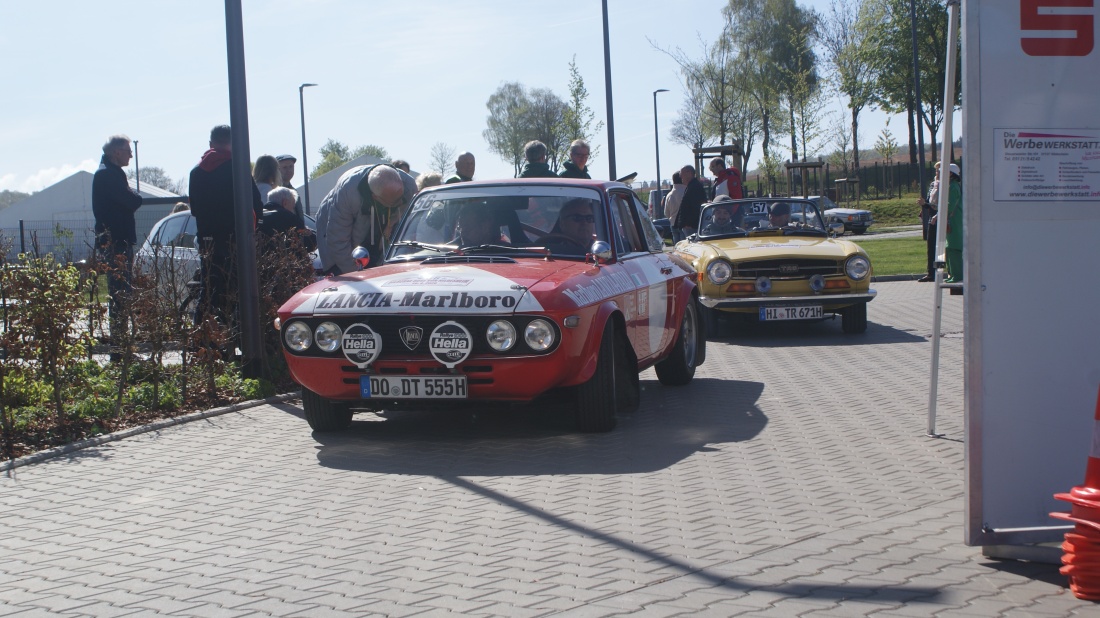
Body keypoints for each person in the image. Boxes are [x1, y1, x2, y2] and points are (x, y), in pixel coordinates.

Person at [188, 124, 264, 325]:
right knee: (237, 289)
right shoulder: (237, 168)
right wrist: (257, 228)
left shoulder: (196, 172)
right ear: (233, 143)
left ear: (210, 143)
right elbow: (256, 203)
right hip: (235, 238)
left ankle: (202, 333)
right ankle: (236, 333)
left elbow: (194, 209)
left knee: (208, 289)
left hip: (208, 239)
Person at [92, 134, 143, 361]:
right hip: (115, 244)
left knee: (122, 295)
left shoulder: (111, 173)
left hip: (118, 241)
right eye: (128, 150)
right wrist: (134, 196)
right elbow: (132, 201)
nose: (131, 155)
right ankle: (120, 352)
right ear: (116, 152)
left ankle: (122, 350)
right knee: (120, 295)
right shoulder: (107, 175)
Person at [314, 163, 417, 275]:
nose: (401, 203)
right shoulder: (348, 193)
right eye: (395, 202)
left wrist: (392, 222)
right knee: (344, 274)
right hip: (334, 234)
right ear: (375, 197)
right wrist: (358, 276)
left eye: (401, 197)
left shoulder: (409, 187)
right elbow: (338, 242)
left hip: (372, 232)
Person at [260, 186, 315, 252]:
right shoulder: (290, 218)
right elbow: (308, 244)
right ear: (285, 203)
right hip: (282, 257)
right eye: (293, 206)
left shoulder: (258, 216)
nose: (293, 210)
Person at [916, 161, 942, 282]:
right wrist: (924, 203)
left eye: (939, 170)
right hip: (932, 219)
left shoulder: (947, 185)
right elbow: (929, 202)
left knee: (942, 247)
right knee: (931, 247)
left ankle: (942, 272)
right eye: (936, 170)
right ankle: (931, 273)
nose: (937, 173)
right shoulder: (933, 184)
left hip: (942, 218)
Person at [943, 163, 963, 283]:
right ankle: (952, 273)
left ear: (951, 173)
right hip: (952, 219)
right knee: (949, 248)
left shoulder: (953, 186)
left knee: (954, 247)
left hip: (954, 219)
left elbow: (950, 206)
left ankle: (957, 275)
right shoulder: (951, 185)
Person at [674, 165, 706, 239]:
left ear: (689, 173)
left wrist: (689, 223)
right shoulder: (691, 186)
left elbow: (696, 207)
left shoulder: (695, 187)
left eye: (681, 174)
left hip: (692, 226)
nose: (680, 176)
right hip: (689, 226)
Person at [662, 172, 685, 236]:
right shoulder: (686, 192)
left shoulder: (669, 195)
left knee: (676, 241)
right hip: (685, 224)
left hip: (673, 223)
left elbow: (666, 213)